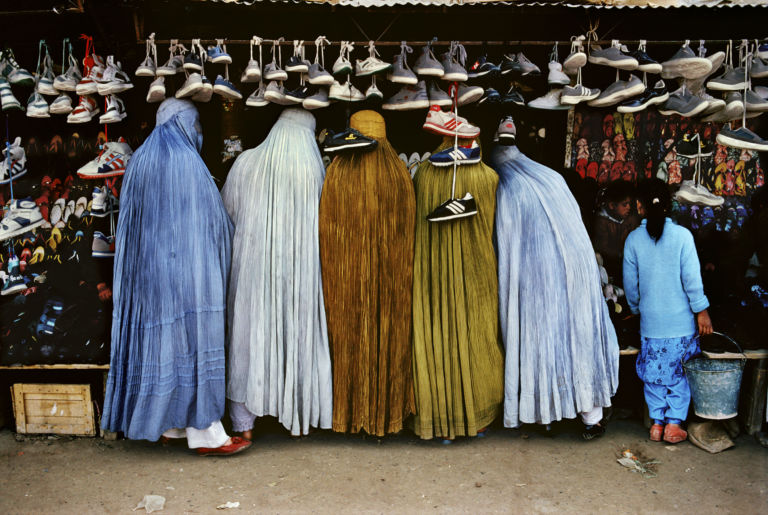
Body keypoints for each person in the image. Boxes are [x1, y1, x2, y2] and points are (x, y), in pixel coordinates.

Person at [102, 99, 250, 456]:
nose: (198, 131)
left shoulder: (139, 161)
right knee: (195, 346)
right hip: (187, 274)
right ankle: (207, 434)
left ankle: (169, 425)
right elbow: (211, 220)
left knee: (162, 349)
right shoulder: (187, 161)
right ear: (184, 122)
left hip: (149, 276)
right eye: (196, 123)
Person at [623, 178, 713, 444]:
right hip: (681, 325)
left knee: (654, 375)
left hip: (652, 325)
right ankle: (674, 424)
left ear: (640, 206)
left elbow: (631, 285)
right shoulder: (683, 237)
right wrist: (702, 310)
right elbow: (692, 280)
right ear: (669, 205)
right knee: (679, 375)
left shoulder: (633, 240)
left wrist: (637, 308)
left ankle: (656, 424)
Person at [591, 180, 639, 285]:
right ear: (612, 205)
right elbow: (602, 247)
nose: (628, 208)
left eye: (629, 204)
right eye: (624, 204)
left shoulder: (631, 220)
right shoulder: (601, 222)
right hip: (609, 267)